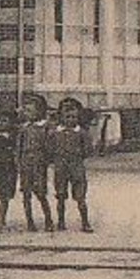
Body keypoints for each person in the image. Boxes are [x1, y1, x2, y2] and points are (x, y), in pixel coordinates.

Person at [52, 97, 95, 233]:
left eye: (74, 117)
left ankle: (85, 222)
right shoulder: (55, 133)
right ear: (61, 117)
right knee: (60, 196)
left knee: (80, 197)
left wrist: (77, 155)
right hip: (60, 168)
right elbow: (49, 148)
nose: (71, 120)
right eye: (67, 117)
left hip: (76, 168)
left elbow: (88, 150)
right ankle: (61, 222)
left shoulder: (82, 133)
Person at [17, 93, 56, 232]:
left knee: (40, 193)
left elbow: (50, 146)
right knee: (26, 194)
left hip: (39, 164)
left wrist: (47, 160)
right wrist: (19, 162)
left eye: (30, 110)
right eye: (25, 110)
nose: (26, 113)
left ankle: (48, 220)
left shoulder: (45, 127)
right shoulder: (24, 128)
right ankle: (30, 221)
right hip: (26, 163)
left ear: (40, 111)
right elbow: (19, 146)